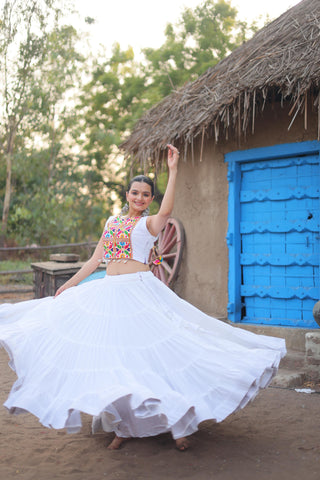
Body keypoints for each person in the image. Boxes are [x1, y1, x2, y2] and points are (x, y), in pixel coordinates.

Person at [0, 144, 286, 451]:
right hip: (109, 294)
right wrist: (69, 285)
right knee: (118, 360)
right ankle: (124, 426)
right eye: (135, 192)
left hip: (139, 292)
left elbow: (167, 212)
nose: (139, 198)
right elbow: (95, 260)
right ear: (127, 195)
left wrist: (173, 170)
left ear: (150, 199)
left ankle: (178, 426)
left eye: (145, 194)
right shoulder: (111, 222)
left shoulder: (148, 224)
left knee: (154, 357)